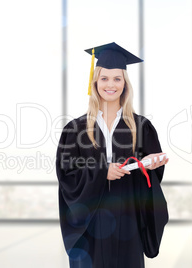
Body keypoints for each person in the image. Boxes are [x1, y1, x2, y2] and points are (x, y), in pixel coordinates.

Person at [55, 42, 169, 268]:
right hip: (90, 222)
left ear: (125, 84)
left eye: (117, 78)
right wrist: (101, 172)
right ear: (95, 82)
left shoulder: (141, 126)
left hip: (128, 220)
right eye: (104, 78)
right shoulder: (75, 128)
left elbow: (150, 178)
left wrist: (152, 165)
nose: (110, 84)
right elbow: (66, 173)